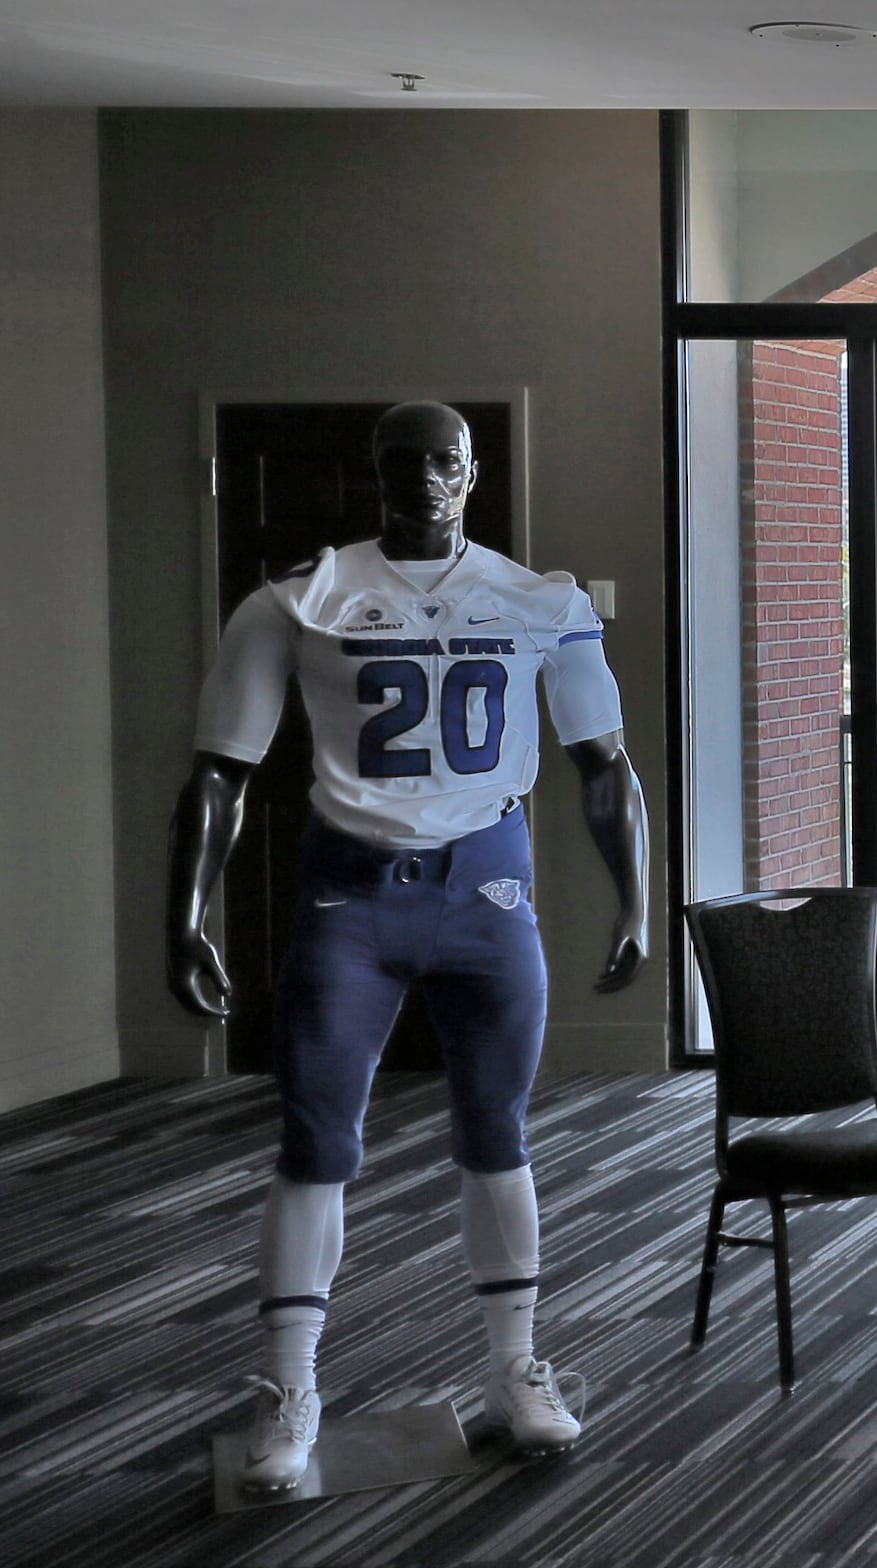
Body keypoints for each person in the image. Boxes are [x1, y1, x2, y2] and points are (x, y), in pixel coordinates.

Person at [166, 402, 649, 1495]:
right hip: (355, 894)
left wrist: (635, 896)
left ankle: (514, 1365)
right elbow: (218, 770)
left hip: (488, 889)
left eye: (443, 459)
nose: (423, 476)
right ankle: (290, 1388)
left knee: (499, 1132)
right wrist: (183, 912)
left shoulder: (541, 599)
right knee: (316, 1140)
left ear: (474, 471)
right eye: (401, 461)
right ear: (369, 473)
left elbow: (607, 762)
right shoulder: (302, 593)